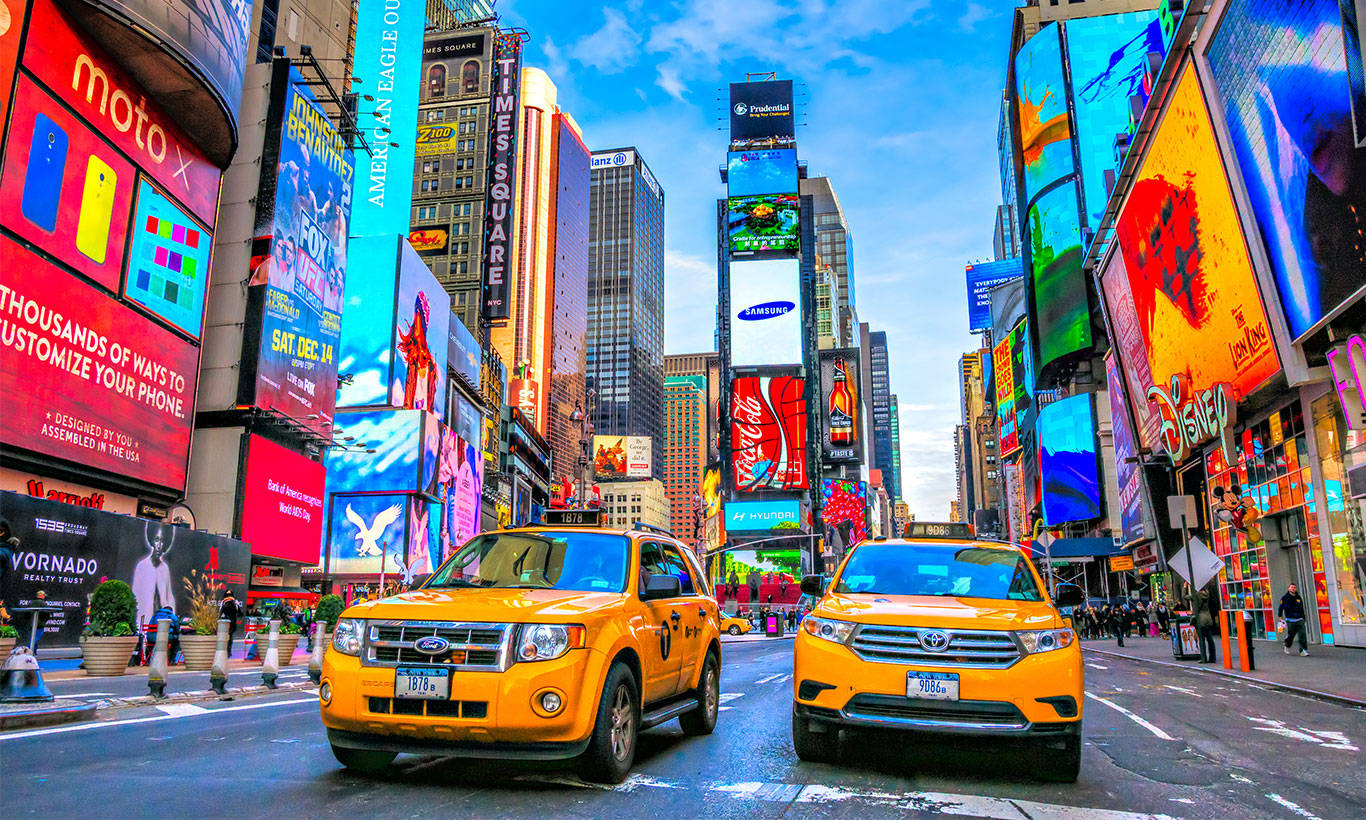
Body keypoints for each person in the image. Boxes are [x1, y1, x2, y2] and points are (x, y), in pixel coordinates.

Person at [1278, 583, 1309, 656]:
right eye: (1291, 587)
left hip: (1299, 619)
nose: (1293, 588)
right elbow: (1281, 607)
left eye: (1294, 587)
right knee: (1291, 635)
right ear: (1289, 589)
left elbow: (1301, 608)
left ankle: (1303, 650)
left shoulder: (1298, 597)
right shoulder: (1285, 598)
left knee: (1302, 635)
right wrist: (1280, 616)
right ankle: (1287, 645)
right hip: (1290, 620)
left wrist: (1303, 617)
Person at [1195, 587, 1219, 663]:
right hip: (1208, 618)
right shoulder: (1207, 594)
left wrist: (1184, 588)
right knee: (1210, 639)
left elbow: (1184, 597)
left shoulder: (1197, 595)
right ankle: (1213, 658)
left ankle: (1204, 658)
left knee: (1201, 640)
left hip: (1201, 620)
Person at [220, 590, 241, 657]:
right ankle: (228, 652)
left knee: (223, 638)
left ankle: (223, 651)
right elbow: (240, 614)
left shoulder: (223, 603)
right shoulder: (235, 603)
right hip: (232, 623)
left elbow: (219, 613)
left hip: (223, 624)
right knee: (230, 638)